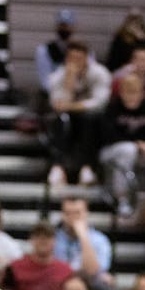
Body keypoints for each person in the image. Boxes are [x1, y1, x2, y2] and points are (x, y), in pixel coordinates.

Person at [98, 73, 145, 218]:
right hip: (112, 151)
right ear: (121, 92)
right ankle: (122, 200)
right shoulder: (112, 108)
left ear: (142, 93)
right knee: (128, 149)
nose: (132, 96)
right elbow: (108, 136)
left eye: (135, 92)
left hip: (142, 149)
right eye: (128, 91)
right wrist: (136, 143)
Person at [45, 42, 109, 188]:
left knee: (90, 119)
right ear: (66, 59)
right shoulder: (58, 76)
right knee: (60, 120)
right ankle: (57, 167)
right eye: (72, 58)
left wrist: (71, 106)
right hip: (67, 118)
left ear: (87, 58)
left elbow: (100, 103)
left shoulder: (100, 73)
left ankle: (88, 168)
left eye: (79, 58)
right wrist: (69, 82)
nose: (75, 62)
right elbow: (57, 104)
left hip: (93, 120)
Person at [2, 222, 72, 290]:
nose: (43, 240)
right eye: (38, 236)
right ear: (31, 240)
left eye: (47, 236)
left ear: (55, 241)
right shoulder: (14, 267)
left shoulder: (65, 270)